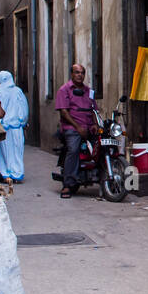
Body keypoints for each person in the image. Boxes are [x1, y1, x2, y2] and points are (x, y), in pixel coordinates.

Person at [54, 63, 98, 198]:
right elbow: (64, 112)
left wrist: (95, 124)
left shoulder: (89, 91)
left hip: (89, 127)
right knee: (73, 149)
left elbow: (94, 109)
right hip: (72, 128)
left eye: (82, 73)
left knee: (103, 145)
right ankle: (67, 185)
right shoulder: (64, 90)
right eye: (77, 72)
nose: (80, 75)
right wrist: (78, 128)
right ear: (72, 74)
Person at [0, 70, 29, 183]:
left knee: (3, 152)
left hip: (2, 127)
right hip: (16, 128)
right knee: (17, 151)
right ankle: (17, 173)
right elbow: (24, 109)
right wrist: (23, 122)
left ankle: (5, 174)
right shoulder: (17, 91)